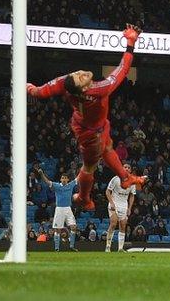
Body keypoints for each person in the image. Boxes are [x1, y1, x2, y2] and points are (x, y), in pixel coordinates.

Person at [27, 24, 146, 211]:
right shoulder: (99, 89)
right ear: (83, 88)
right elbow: (122, 69)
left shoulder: (65, 83)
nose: (80, 73)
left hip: (89, 124)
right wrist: (130, 42)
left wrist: (29, 88)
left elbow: (41, 92)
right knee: (90, 165)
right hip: (91, 134)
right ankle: (83, 197)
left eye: (78, 73)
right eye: (80, 77)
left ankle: (125, 177)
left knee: (108, 147)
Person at [38, 169, 78, 252]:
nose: (63, 179)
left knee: (74, 227)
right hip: (59, 209)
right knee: (57, 229)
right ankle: (56, 248)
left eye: (65, 178)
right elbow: (47, 181)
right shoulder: (57, 185)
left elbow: (79, 178)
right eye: (62, 178)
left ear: (67, 179)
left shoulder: (70, 185)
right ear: (60, 179)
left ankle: (71, 246)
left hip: (68, 208)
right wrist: (42, 174)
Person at [105, 163, 136, 252]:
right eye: (125, 167)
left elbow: (132, 195)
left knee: (123, 226)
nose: (126, 169)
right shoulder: (115, 179)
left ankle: (120, 248)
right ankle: (108, 246)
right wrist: (111, 203)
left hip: (124, 205)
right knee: (113, 224)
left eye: (128, 167)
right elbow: (107, 191)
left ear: (130, 170)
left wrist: (129, 208)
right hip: (114, 203)